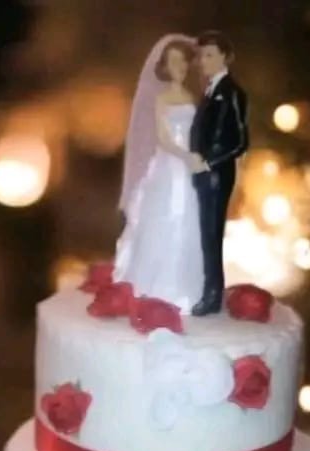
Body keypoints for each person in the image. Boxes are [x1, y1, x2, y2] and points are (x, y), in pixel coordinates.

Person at [113, 35, 205, 314]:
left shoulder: (189, 96)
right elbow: (164, 138)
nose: (179, 67)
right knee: (167, 216)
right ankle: (155, 286)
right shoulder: (162, 98)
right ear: (165, 65)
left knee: (190, 220)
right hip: (171, 164)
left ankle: (188, 287)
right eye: (173, 61)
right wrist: (186, 156)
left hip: (190, 165)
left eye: (182, 61)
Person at [189, 30, 249, 316]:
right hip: (203, 174)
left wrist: (210, 162)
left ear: (225, 57)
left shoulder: (232, 92)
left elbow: (239, 140)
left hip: (215, 175)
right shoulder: (210, 89)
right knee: (205, 236)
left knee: (212, 237)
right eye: (201, 56)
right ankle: (208, 289)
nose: (204, 61)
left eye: (210, 55)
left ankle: (212, 296)